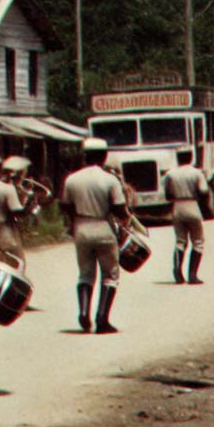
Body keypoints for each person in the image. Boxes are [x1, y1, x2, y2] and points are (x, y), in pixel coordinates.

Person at [59, 137, 129, 334]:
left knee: (85, 274)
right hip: (103, 227)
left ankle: (83, 312)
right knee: (110, 276)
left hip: (81, 228)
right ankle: (102, 318)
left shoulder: (72, 179)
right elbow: (119, 209)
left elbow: (65, 206)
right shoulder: (110, 180)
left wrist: (75, 222)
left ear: (85, 156)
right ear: (104, 156)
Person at [162, 148, 210, 284]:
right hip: (192, 205)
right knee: (198, 241)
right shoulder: (196, 173)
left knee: (180, 241)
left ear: (178, 158)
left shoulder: (170, 174)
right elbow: (203, 190)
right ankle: (192, 274)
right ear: (191, 157)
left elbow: (167, 194)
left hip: (177, 207)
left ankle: (177, 272)